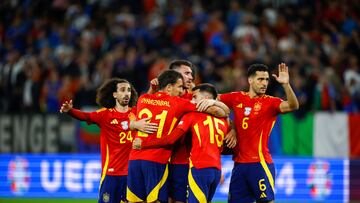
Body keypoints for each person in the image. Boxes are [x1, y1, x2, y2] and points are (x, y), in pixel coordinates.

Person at [126, 70, 229, 203]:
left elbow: (131, 118)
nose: (182, 91)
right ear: (169, 87)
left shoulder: (143, 99)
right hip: (156, 159)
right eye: (180, 87)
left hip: (135, 158)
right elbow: (218, 112)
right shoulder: (178, 103)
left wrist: (133, 124)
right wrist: (215, 104)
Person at [60, 78, 158, 203]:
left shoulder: (135, 112)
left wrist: (152, 89)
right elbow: (86, 116)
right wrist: (70, 111)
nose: (127, 93)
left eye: (128, 90)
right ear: (114, 95)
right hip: (111, 174)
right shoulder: (105, 115)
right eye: (122, 90)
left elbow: (146, 101)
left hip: (131, 174)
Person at [219, 63, 299, 203]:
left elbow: (293, 105)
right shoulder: (237, 97)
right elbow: (213, 98)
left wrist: (286, 85)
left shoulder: (271, 103)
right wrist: (232, 127)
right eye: (260, 79)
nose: (264, 83)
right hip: (239, 165)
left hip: (259, 164)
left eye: (267, 80)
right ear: (250, 80)